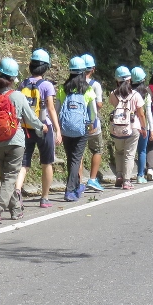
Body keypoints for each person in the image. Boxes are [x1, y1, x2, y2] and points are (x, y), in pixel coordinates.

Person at [0, 58, 45, 224]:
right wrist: (42, 127)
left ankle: (16, 210)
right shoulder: (17, 95)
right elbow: (31, 118)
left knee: (6, 177)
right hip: (16, 140)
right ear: (12, 79)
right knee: (11, 177)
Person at [15, 49, 62, 208]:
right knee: (47, 163)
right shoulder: (47, 85)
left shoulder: (22, 84)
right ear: (45, 67)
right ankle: (44, 198)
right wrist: (57, 129)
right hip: (44, 128)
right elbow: (51, 108)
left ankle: (17, 190)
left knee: (23, 164)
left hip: (25, 128)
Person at [58, 57, 99, 202]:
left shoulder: (63, 89)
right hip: (81, 129)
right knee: (76, 158)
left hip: (65, 128)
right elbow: (93, 111)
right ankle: (70, 190)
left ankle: (76, 186)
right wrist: (92, 124)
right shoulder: (87, 89)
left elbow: (58, 109)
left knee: (71, 158)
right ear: (83, 73)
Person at [108, 66, 146, 190]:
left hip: (117, 128)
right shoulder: (135, 95)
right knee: (129, 154)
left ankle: (119, 175)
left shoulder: (113, 94)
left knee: (119, 151)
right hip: (133, 127)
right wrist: (144, 128)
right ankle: (127, 181)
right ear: (129, 80)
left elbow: (114, 105)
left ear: (116, 81)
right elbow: (141, 114)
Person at [80, 54, 105, 192]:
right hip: (92, 123)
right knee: (97, 149)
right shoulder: (95, 85)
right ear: (93, 69)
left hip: (77, 123)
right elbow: (99, 104)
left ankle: (78, 181)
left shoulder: (72, 83)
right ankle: (92, 179)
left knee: (79, 152)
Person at [130, 67, 153, 183]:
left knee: (129, 152)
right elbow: (148, 113)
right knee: (142, 151)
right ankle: (140, 175)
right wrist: (150, 129)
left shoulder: (128, 91)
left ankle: (125, 177)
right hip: (143, 126)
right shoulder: (146, 93)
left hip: (130, 125)